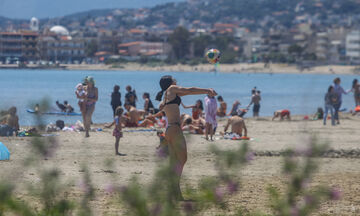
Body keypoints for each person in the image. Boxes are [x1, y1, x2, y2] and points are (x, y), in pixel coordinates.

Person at [156, 75, 217, 200]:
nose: (176, 80)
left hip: (169, 130)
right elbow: (189, 90)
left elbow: (186, 93)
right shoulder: (172, 89)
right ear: (170, 82)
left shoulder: (167, 95)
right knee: (183, 159)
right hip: (175, 130)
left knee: (175, 162)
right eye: (173, 79)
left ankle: (174, 192)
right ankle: (174, 186)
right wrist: (207, 90)